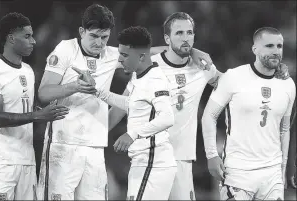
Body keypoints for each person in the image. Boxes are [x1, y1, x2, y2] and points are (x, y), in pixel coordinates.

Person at [36, 4, 212, 200]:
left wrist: (193, 52)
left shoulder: (112, 55)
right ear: (81, 31)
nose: (99, 43)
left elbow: (155, 51)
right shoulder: (66, 49)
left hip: (95, 147)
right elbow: (43, 93)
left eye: (104, 37)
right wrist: (74, 86)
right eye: (94, 36)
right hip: (63, 144)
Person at [107, 12, 291, 200]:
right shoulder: (149, 64)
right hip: (149, 157)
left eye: (189, 33)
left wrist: (272, 72)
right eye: (179, 33)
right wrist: (97, 136)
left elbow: (236, 84)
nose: (186, 38)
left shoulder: (203, 67)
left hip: (183, 159)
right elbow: (124, 105)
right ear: (166, 38)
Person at [0, 12, 69, 200]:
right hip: (1, 162)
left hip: (27, 160)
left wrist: (49, 111)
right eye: (27, 36)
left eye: (32, 35)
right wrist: (39, 116)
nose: (33, 41)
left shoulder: (28, 71)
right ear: (11, 38)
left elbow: (27, 109)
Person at [202, 27, 296, 200]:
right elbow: (209, 116)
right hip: (237, 173)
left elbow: (285, 129)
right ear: (255, 49)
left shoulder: (288, 84)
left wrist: (284, 169)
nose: (276, 51)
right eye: (269, 46)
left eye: (279, 46)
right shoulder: (233, 77)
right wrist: (212, 155)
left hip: (272, 174)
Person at [93, 26, 177, 200]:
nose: (120, 60)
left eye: (124, 55)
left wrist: (131, 134)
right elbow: (131, 104)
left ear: (141, 57)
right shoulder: (138, 76)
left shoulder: (155, 80)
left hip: (154, 162)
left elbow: (167, 117)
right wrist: (95, 90)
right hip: (143, 161)